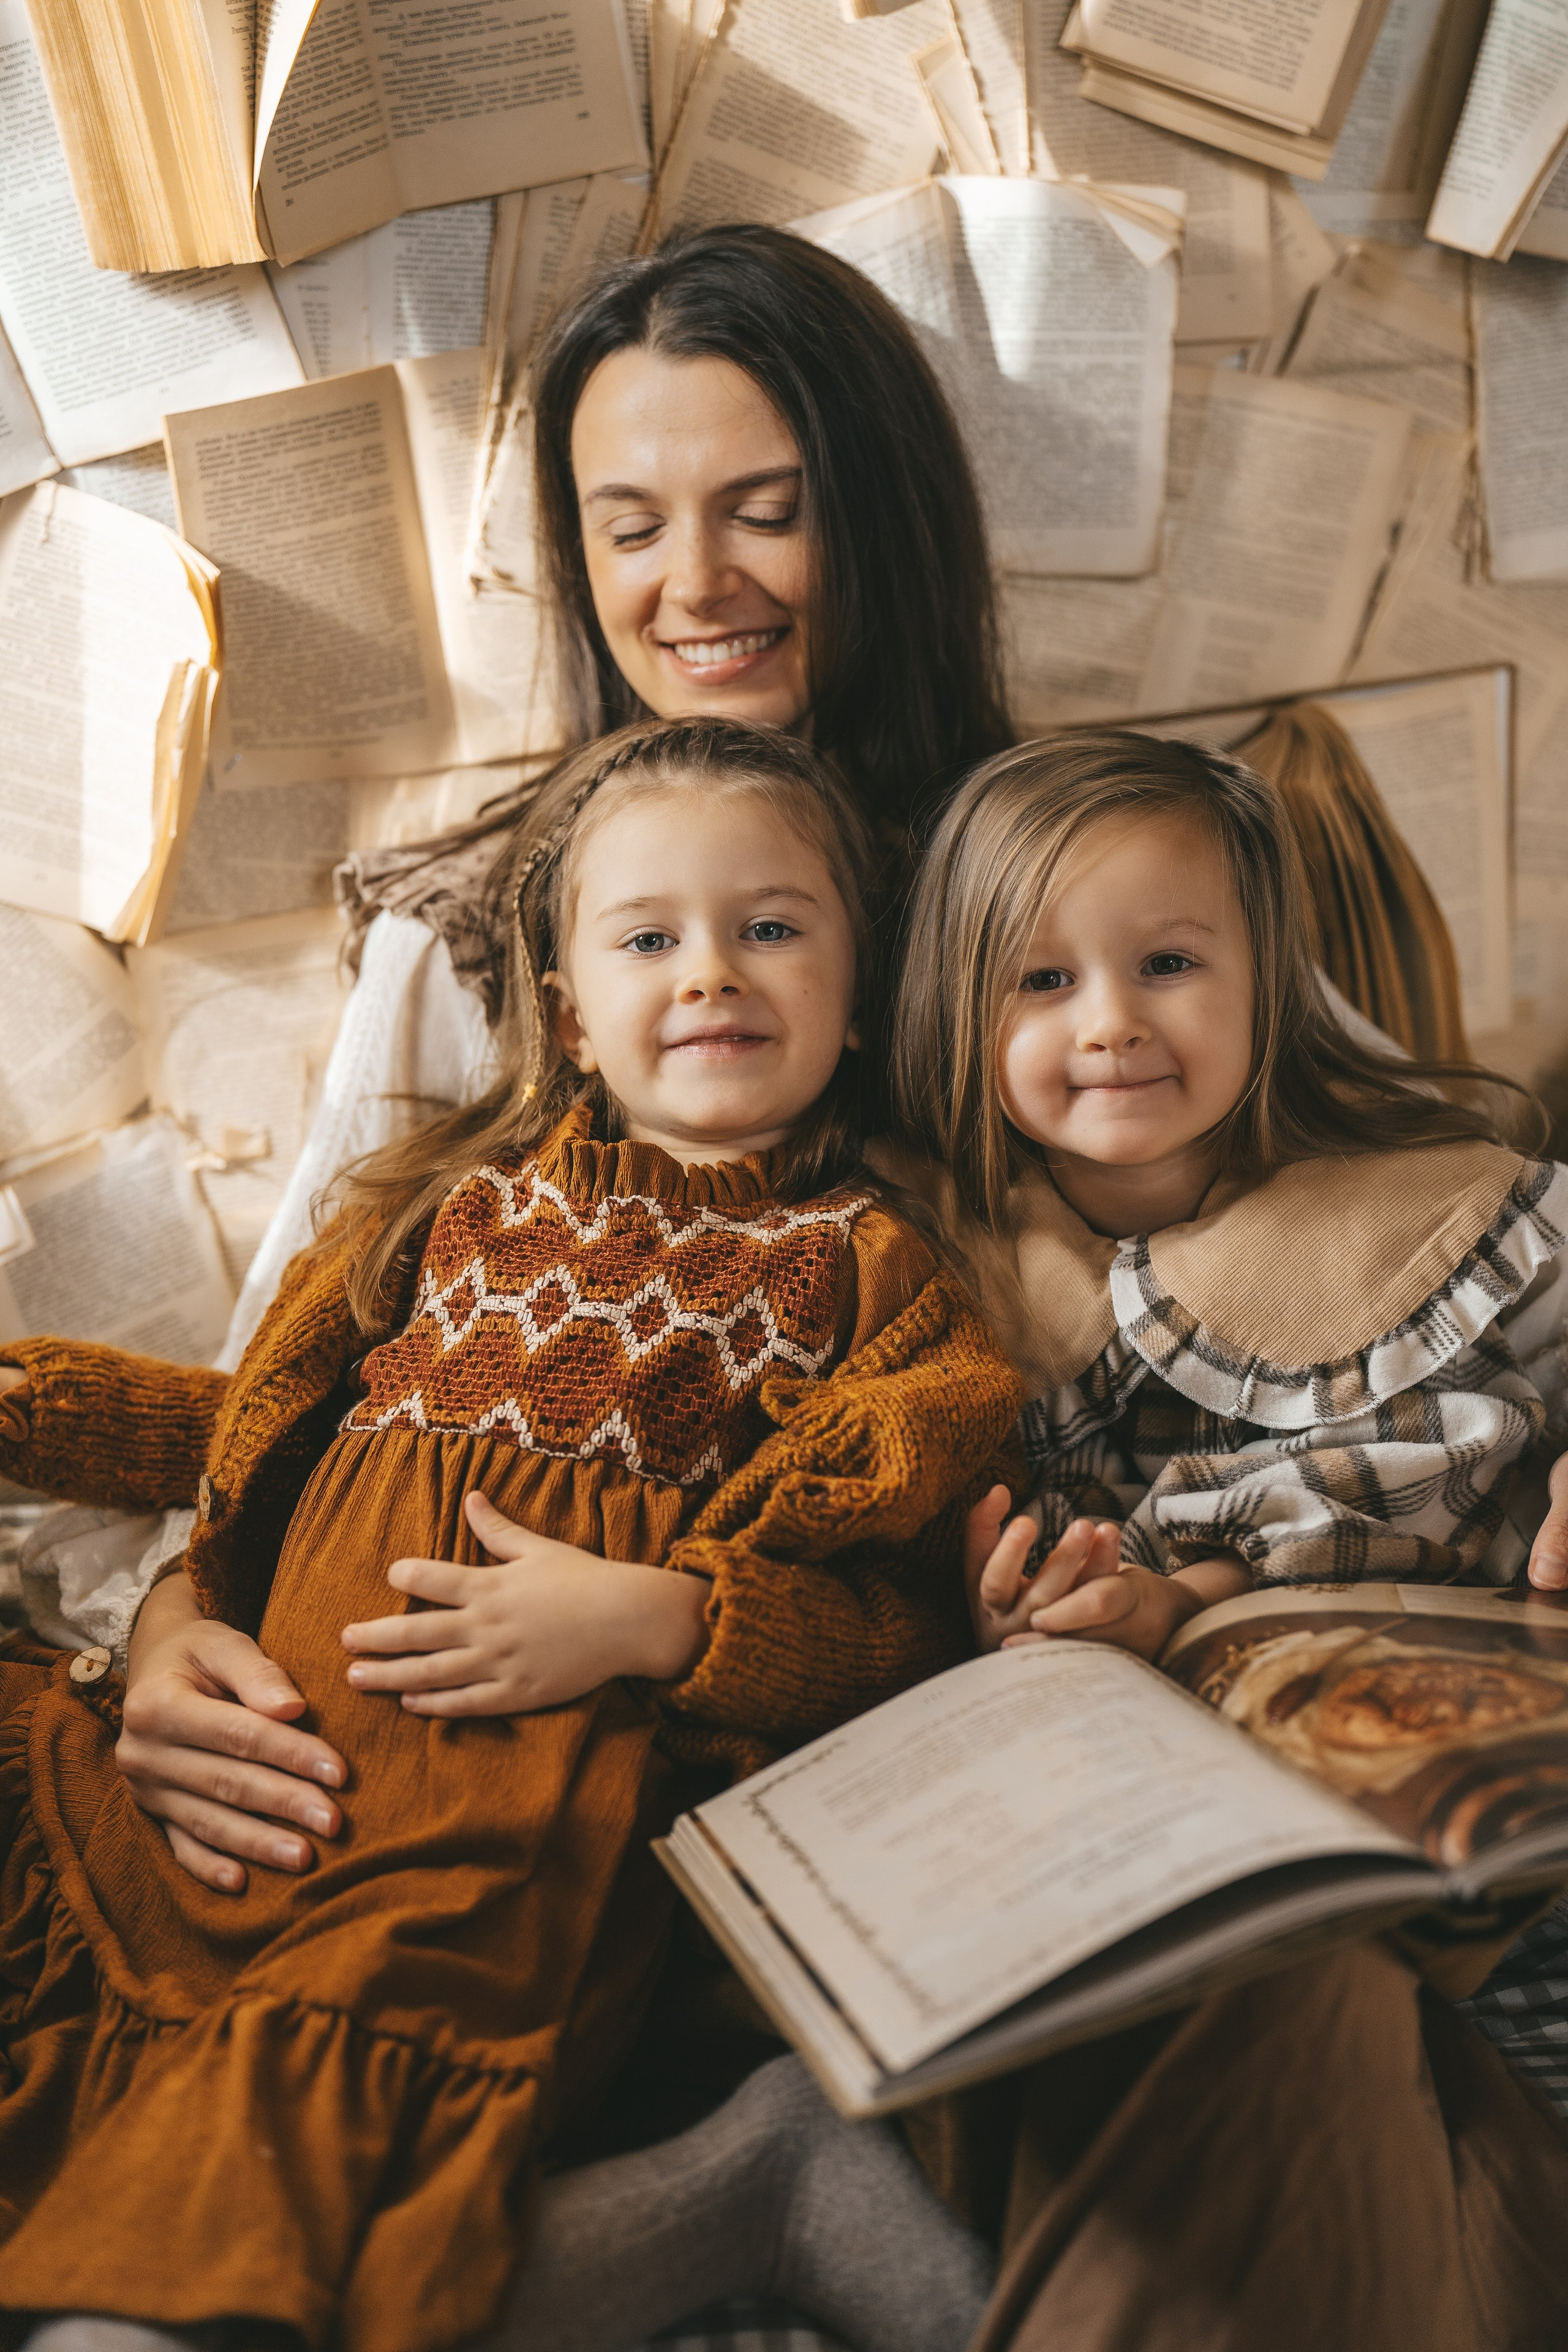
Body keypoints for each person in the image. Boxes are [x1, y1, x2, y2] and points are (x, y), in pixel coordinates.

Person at [0, 717, 1023, 2351]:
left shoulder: (863, 1274)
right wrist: (57, 1435)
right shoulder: (440, 1209)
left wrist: (665, 1622)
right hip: (260, 1766)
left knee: (291, 2197)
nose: (709, 972)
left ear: (856, 995)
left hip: (477, 1850)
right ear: (569, 1015)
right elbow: (251, 1435)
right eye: (648, 937)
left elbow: (902, 1636)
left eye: (769, 927)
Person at [56, 222, 1012, 1909]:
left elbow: (1363, 1194)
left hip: (878, 1699)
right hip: (428, 1768)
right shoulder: (476, 929)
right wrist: (167, 1627)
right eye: (627, 526)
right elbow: (288, 1364)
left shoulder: (1061, 886)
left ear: (887, 520)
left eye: (767, 512)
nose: (692, 585)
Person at [883, 726, 1568, 2351]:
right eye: (1040, 983)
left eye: (1170, 962)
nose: (1111, 1022)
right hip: (1189, 1891)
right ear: (955, 1013)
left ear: (1268, 980)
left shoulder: (1443, 1214)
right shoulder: (943, 1284)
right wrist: (1042, 1615)